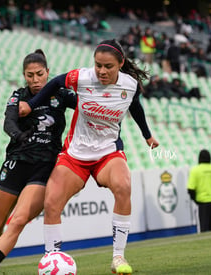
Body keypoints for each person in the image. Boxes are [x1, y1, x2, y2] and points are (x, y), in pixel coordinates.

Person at [19, 39, 159, 274]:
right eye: (98, 65)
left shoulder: (130, 85)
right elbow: (54, 83)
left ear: (120, 64)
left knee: (124, 186)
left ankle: (118, 258)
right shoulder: (81, 77)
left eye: (108, 67)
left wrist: (147, 135)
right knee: (52, 202)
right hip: (76, 154)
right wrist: (32, 104)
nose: (102, 71)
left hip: (107, 152)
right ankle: (52, 260)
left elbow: (135, 107)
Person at [0, 50, 76, 275]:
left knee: (18, 220)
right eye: (30, 75)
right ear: (24, 75)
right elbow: (8, 122)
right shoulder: (18, 96)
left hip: (44, 166)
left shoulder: (60, 94)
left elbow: (84, 105)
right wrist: (19, 135)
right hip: (17, 162)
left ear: (47, 72)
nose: (35, 80)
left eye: (39, 74)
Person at [187, 149, 211, 232]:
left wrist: (195, 200)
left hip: (202, 203)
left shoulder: (195, 170)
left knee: (203, 229)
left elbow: (190, 189)